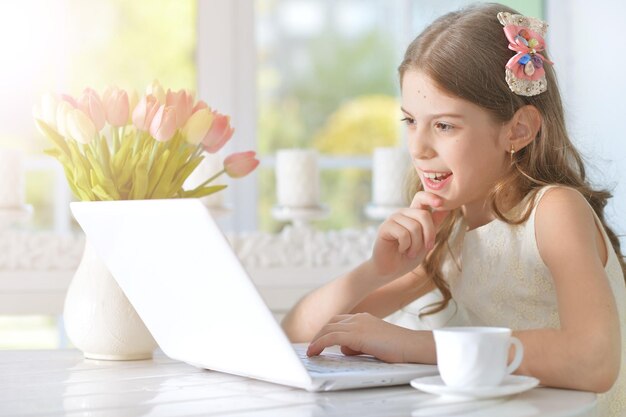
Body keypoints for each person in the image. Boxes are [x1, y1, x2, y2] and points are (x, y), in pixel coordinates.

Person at [281, 3, 626, 416]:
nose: (418, 148)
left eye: (444, 125)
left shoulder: (554, 211)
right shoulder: (454, 233)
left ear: (517, 130)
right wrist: (378, 270)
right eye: (410, 121)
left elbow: (594, 361)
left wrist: (413, 345)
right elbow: (301, 335)